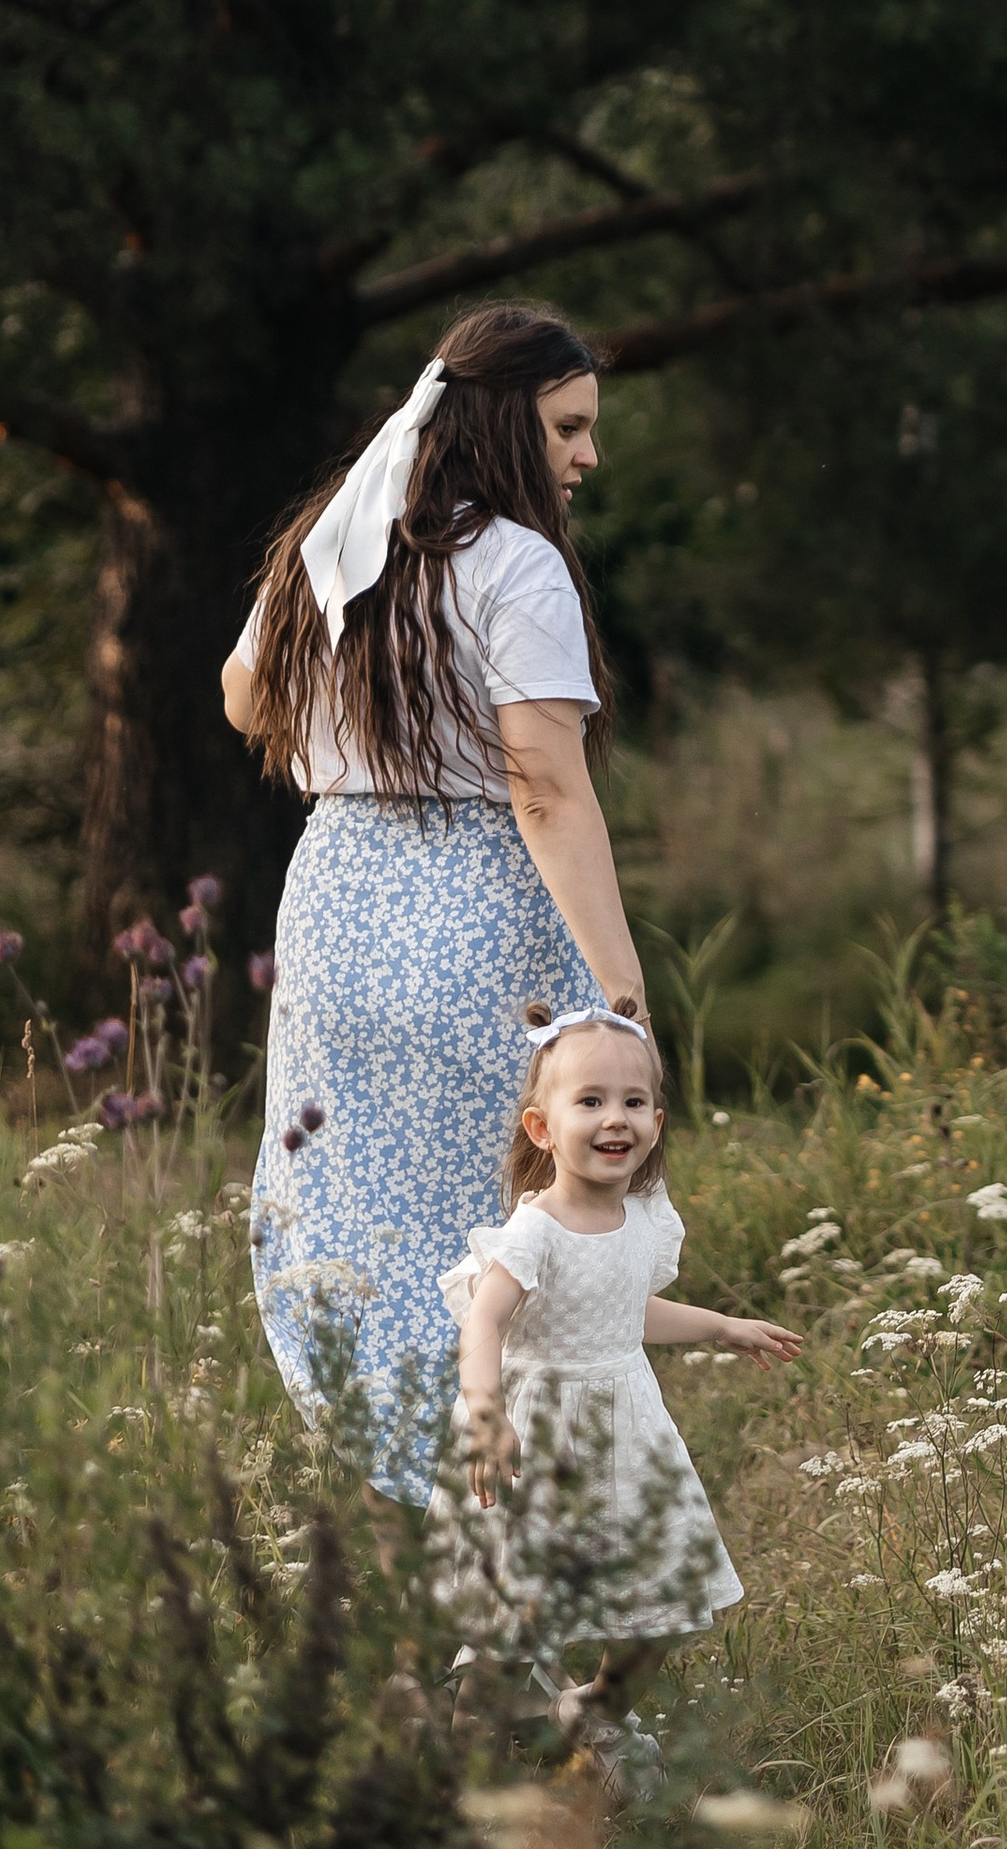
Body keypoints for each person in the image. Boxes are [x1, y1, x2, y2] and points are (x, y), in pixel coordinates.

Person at [223, 301, 647, 1501]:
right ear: (506, 426)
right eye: (568, 429)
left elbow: (244, 701)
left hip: (340, 906)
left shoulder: (343, 542)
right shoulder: (515, 563)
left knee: (369, 1226)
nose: (587, 457)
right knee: (514, 1241)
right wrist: (620, 995)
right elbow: (549, 792)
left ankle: (413, 1486)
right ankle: (508, 1539)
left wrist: (346, 656)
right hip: (474, 915)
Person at [438, 998, 799, 1671]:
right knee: (519, 1624)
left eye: (634, 1102)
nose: (615, 1118)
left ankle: (597, 1717)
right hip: (541, 1430)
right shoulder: (536, 1229)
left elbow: (625, 1311)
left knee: (657, 1606)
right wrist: (486, 1414)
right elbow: (484, 1319)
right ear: (542, 1128)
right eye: (591, 1101)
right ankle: (475, 1752)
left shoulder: (642, 1222)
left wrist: (721, 1326)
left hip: (628, 1428)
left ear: (656, 1125)